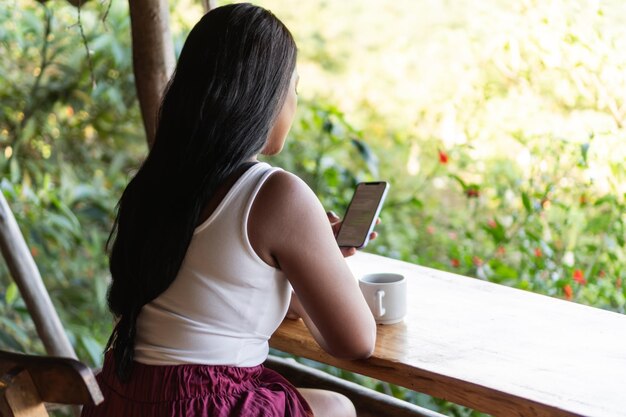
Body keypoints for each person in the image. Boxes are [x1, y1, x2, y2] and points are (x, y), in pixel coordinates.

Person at [81, 3, 376, 417]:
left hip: (121, 395)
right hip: (198, 405)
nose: (294, 100)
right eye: (294, 86)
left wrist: (309, 257)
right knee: (338, 408)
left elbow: (225, 286)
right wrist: (321, 258)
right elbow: (355, 341)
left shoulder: (153, 183)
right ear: (266, 95)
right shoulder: (277, 193)